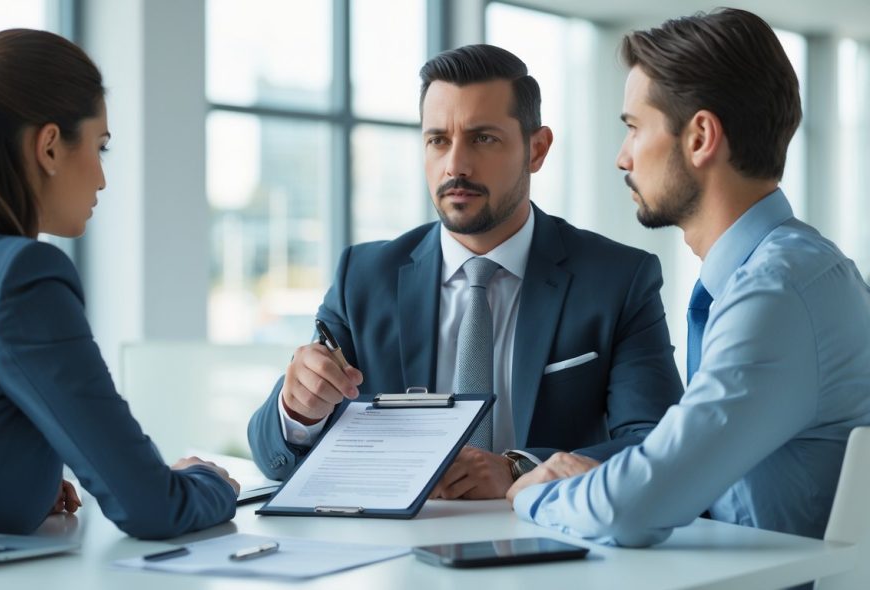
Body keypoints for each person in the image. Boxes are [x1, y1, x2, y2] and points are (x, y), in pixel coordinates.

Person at [0, 29, 239, 540]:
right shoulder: (22, 276)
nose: (100, 177)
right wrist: (209, 479)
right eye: (100, 147)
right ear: (49, 147)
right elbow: (149, 504)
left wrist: (24, 482)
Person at [248, 44, 683, 500]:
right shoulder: (364, 277)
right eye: (438, 140)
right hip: (397, 555)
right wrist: (298, 410)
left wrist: (518, 471)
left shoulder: (618, 279)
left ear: (537, 149)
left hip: (551, 547)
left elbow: (655, 443)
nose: (455, 165)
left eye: (483, 139)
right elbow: (271, 455)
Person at [508, 8, 870, 546]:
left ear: (700, 136)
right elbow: (681, 472)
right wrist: (614, 482)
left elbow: (629, 512)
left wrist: (528, 492)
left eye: (633, 128)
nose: (621, 157)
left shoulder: (776, 293)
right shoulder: (793, 272)